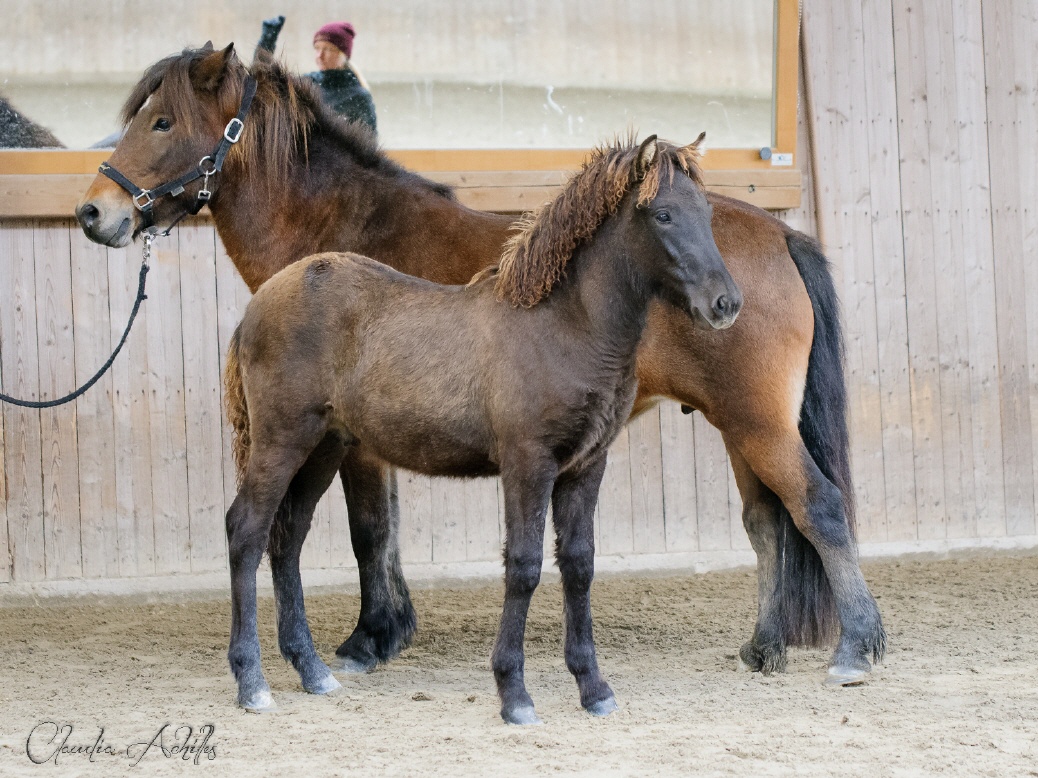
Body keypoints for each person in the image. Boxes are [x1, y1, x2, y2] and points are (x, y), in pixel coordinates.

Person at [257, 16, 377, 134]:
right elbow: (264, 84)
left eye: (328, 49)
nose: (320, 55)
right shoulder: (306, 84)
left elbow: (369, 145)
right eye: (317, 48)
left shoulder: (358, 97)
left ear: (343, 54)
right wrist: (267, 41)